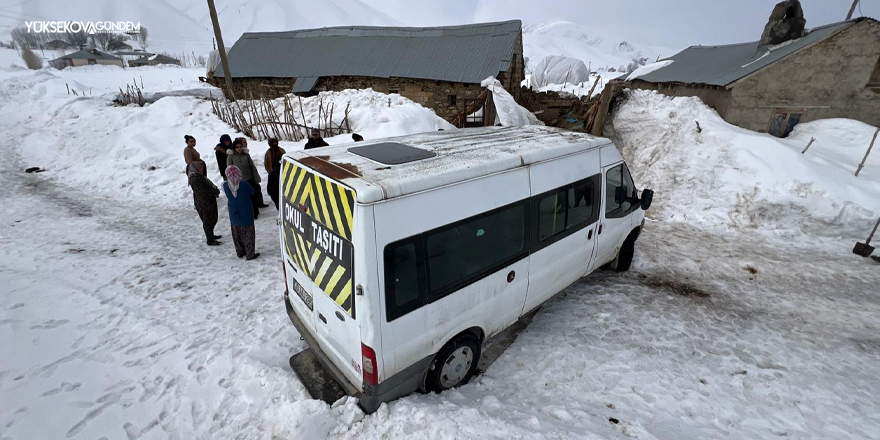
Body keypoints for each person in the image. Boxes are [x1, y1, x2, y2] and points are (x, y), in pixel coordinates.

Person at [223, 165, 259, 260]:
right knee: (248, 233)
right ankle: (250, 254)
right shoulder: (244, 185)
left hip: (233, 212)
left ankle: (240, 251)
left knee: (236, 233)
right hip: (246, 212)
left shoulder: (225, 185)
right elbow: (252, 192)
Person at [226, 138, 263, 219]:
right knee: (244, 198)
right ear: (234, 148)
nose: (239, 148)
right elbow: (230, 169)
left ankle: (255, 212)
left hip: (249, 178)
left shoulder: (246, 155)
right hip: (239, 181)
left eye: (240, 147)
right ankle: (247, 213)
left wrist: (255, 177)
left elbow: (252, 166)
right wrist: (233, 181)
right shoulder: (231, 156)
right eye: (237, 147)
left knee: (253, 195)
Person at [187, 161, 222, 246]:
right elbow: (203, 191)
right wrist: (214, 191)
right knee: (208, 220)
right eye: (200, 168)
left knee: (212, 218)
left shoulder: (198, 176)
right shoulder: (194, 179)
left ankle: (211, 235)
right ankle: (210, 239)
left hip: (208, 200)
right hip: (204, 202)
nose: (202, 169)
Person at [240, 137, 270, 209]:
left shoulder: (246, 153)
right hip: (244, 177)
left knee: (257, 188)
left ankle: (259, 203)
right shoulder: (238, 155)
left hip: (251, 175)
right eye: (244, 142)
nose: (246, 144)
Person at [264, 137, 287, 210]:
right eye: (273, 144)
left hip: (282, 174)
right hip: (273, 175)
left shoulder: (281, 151)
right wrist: (271, 172)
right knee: (275, 193)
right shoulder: (268, 153)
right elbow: (266, 164)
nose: (274, 145)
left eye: (275, 144)